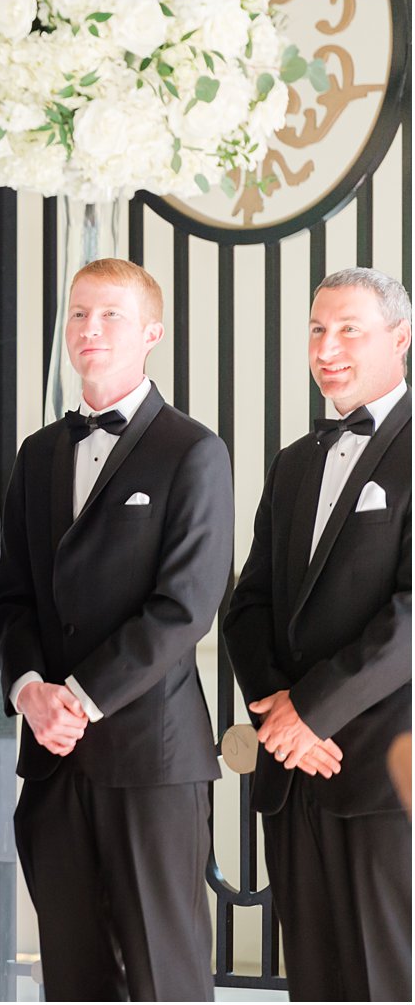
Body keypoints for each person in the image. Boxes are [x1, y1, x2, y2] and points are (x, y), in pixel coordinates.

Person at [0, 258, 232, 1001]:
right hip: (53, 763)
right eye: (79, 313)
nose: (90, 330)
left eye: (112, 316)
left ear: (152, 332)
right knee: (72, 975)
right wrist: (31, 692)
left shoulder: (193, 450)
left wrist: (81, 699)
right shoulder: (38, 453)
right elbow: (12, 594)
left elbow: (184, 606)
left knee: (165, 972)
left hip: (151, 762)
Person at [222, 267, 411, 1001]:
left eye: (348, 330)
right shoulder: (295, 461)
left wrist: (314, 713)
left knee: (384, 979)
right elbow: (248, 603)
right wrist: (278, 711)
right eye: (316, 328)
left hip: (381, 771)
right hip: (291, 767)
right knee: (315, 983)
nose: (327, 346)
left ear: (400, 339)